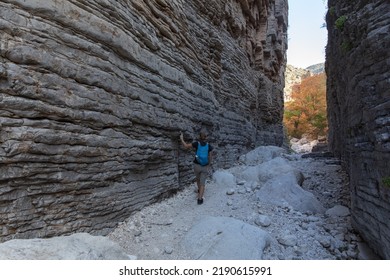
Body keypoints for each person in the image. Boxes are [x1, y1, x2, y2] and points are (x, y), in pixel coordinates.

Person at [180, 131, 213, 205]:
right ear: (206, 137)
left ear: (199, 137)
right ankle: (200, 199)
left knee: (198, 179)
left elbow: (186, 146)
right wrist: (208, 165)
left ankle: (199, 190)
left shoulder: (196, 144)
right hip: (205, 166)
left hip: (196, 165)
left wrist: (182, 139)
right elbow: (210, 156)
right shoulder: (209, 146)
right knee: (203, 183)